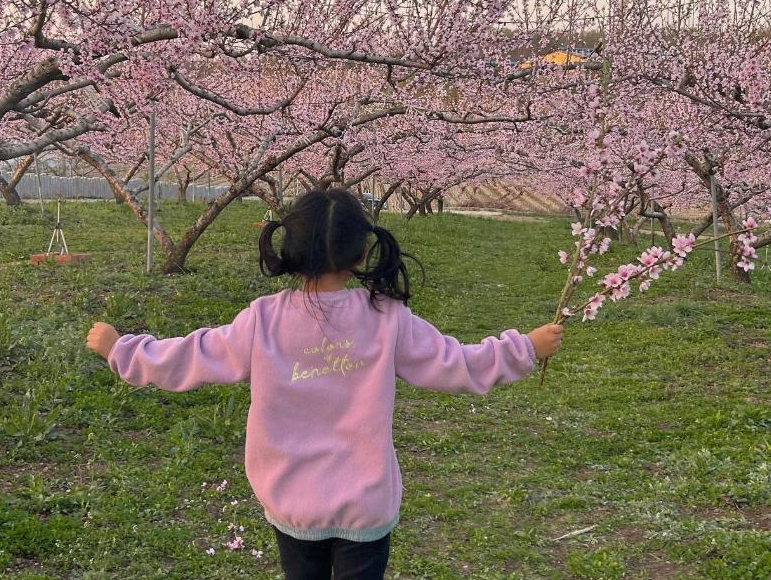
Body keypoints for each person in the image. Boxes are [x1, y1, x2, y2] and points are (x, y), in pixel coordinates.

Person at [86, 188, 563, 580]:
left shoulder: (264, 320)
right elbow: (456, 363)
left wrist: (120, 349)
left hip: (292, 501)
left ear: (292, 248)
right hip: (365, 503)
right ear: (361, 251)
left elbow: (190, 356)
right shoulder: (385, 319)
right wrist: (524, 348)